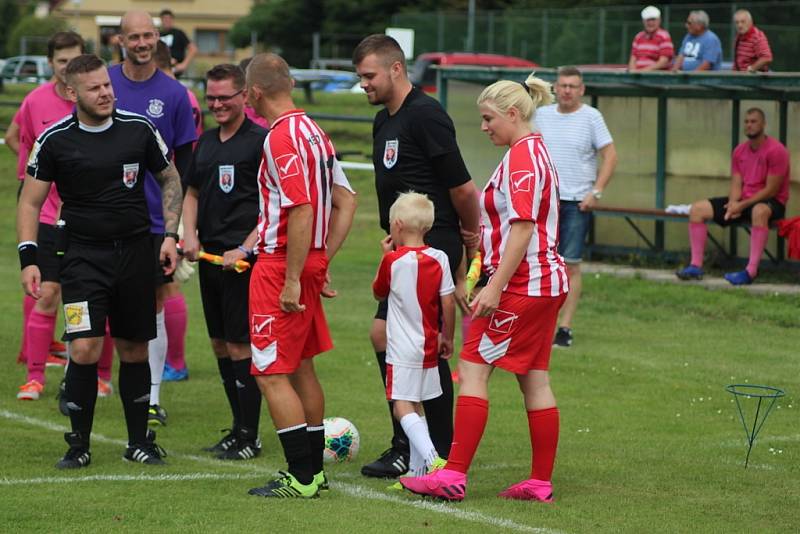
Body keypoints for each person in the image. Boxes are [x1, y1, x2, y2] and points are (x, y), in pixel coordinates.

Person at [401, 74, 568, 502]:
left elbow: (525, 226)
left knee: (474, 369)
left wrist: (493, 286)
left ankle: (452, 475)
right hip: (540, 283)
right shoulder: (528, 150)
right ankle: (540, 481)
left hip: (524, 285)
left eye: (488, 118)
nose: (484, 126)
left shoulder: (524, 157)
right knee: (534, 378)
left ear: (513, 114)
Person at [18, 53, 182, 468]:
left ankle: (139, 442)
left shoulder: (138, 128)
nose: (105, 92)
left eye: (107, 85)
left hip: (134, 254)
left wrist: (171, 234)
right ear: (73, 93)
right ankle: (78, 446)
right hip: (80, 257)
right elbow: (30, 201)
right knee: (86, 348)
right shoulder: (54, 139)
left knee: (133, 349)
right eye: (95, 88)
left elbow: (170, 177)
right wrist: (29, 256)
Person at [352, 33, 481, 479]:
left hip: (433, 246)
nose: (363, 84)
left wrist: (469, 241)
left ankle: (434, 450)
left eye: (368, 76)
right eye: (359, 77)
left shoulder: (425, 115)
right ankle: (412, 443)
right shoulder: (382, 121)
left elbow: (462, 187)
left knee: (419, 346)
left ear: (395, 69)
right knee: (385, 337)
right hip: (403, 251)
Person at [245, 53, 357, 498]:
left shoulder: (280, 137)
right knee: (302, 366)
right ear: (290, 82)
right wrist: (320, 260)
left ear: (253, 93)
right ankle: (315, 472)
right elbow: (348, 200)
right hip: (305, 259)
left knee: (271, 372)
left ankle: (303, 476)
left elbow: (302, 207)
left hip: (280, 264)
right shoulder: (317, 133)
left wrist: (293, 276)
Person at [109, 10, 198, 425]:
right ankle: (80, 380)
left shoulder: (175, 94)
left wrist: (174, 226)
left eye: (149, 35)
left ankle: (152, 397)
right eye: (134, 36)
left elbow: (183, 163)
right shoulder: (103, 82)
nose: (142, 43)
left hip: (152, 223)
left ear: (157, 38)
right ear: (120, 40)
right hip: (101, 219)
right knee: (97, 304)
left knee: (157, 303)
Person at [182, 63, 266, 460]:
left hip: (242, 263)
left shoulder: (260, 142)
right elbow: (193, 192)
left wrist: (246, 249)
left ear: (245, 96)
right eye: (210, 97)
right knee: (218, 343)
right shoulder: (207, 142)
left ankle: (250, 436)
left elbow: (274, 209)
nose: (216, 104)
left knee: (239, 345)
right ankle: (237, 428)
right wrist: (189, 233)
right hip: (208, 257)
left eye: (224, 97)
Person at [6, 32, 82, 400]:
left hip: (88, 219)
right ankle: (34, 375)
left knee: (84, 298)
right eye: (62, 61)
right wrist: (31, 183)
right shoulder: (35, 101)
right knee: (47, 292)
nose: (68, 68)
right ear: (51, 62)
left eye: (74, 60)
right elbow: (15, 138)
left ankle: (90, 373)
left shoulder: (93, 98)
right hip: (49, 216)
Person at [372, 192, 455, 486]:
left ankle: (435, 460)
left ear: (396, 225)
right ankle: (415, 475)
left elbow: (379, 292)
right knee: (417, 406)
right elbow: (448, 302)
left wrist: (386, 258)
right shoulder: (440, 258)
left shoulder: (392, 261)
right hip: (429, 344)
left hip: (402, 349)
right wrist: (448, 337)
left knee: (402, 406)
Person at [534, 66, 616, 348]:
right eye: (563, 85)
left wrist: (596, 192)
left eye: (573, 86)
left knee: (570, 265)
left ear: (581, 89)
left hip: (576, 202)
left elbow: (610, 155)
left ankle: (564, 328)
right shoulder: (541, 115)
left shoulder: (592, 117)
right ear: (555, 88)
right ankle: (539, 323)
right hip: (545, 201)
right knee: (540, 262)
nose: (567, 90)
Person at [676, 108, 790, 286]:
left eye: (753, 121)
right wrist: (732, 204)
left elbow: (771, 190)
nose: (749, 125)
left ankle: (751, 272)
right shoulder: (739, 151)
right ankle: (695, 266)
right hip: (744, 201)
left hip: (771, 202)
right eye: (746, 122)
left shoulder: (777, 151)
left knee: (759, 211)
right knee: (697, 209)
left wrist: (741, 206)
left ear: (764, 124)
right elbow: (737, 183)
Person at [628, 5, 674, 71]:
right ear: (643, 21)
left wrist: (642, 71)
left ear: (659, 20)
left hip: (655, 78)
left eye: (653, 19)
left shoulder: (664, 36)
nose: (650, 23)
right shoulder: (638, 37)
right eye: (648, 20)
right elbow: (633, 58)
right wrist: (632, 72)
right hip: (637, 76)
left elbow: (663, 62)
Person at [159, 9, 197, 77]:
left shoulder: (178, 33)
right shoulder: (158, 35)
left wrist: (184, 64)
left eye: (169, 19)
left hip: (177, 71)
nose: (167, 21)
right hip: (162, 70)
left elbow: (193, 48)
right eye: (164, 19)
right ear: (161, 20)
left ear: (172, 20)